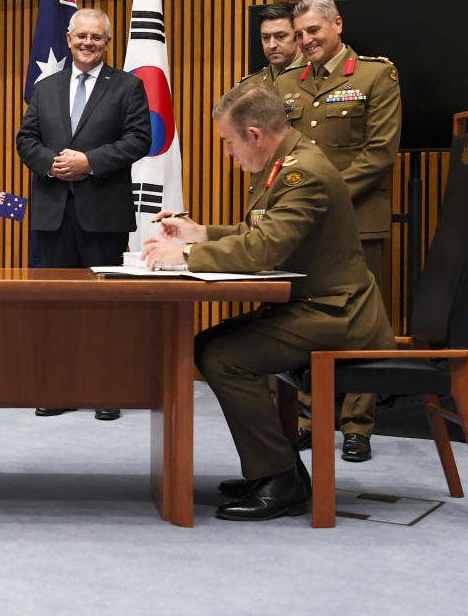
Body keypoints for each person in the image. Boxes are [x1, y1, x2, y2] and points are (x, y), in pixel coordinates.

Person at [142, 81, 394, 521]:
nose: (227, 153)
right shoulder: (284, 164)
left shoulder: (303, 172)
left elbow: (263, 251)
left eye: (229, 142)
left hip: (337, 313)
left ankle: (281, 477)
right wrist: (199, 233)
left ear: (255, 135)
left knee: (222, 355)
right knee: (208, 346)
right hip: (312, 306)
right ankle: (274, 469)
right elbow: (259, 233)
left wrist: (184, 256)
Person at [271, 0, 401, 462]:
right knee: (305, 321)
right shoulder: (286, 82)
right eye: (299, 33)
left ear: (337, 25)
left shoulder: (374, 75)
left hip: (357, 223)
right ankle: (309, 418)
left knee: (361, 326)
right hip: (299, 228)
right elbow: (275, 155)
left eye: (313, 31)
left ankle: (358, 425)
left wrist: (318, 198)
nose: (305, 41)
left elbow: (379, 153)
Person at [16, 7, 152, 421]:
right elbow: (26, 139)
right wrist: (50, 162)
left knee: (103, 306)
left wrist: (88, 161)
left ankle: (106, 389)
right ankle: (60, 388)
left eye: (97, 38)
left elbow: (139, 139)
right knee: (57, 306)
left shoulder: (128, 86)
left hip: (103, 215)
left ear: (107, 43)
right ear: (69, 39)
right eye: (82, 37)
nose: (89, 44)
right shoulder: (47, 87)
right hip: (53, 214)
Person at [250, 1, 305, 84]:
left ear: (298, 36)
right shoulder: (248, 86)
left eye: (280, 36)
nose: (272, 45)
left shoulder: (317, 76)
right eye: (266, 37)